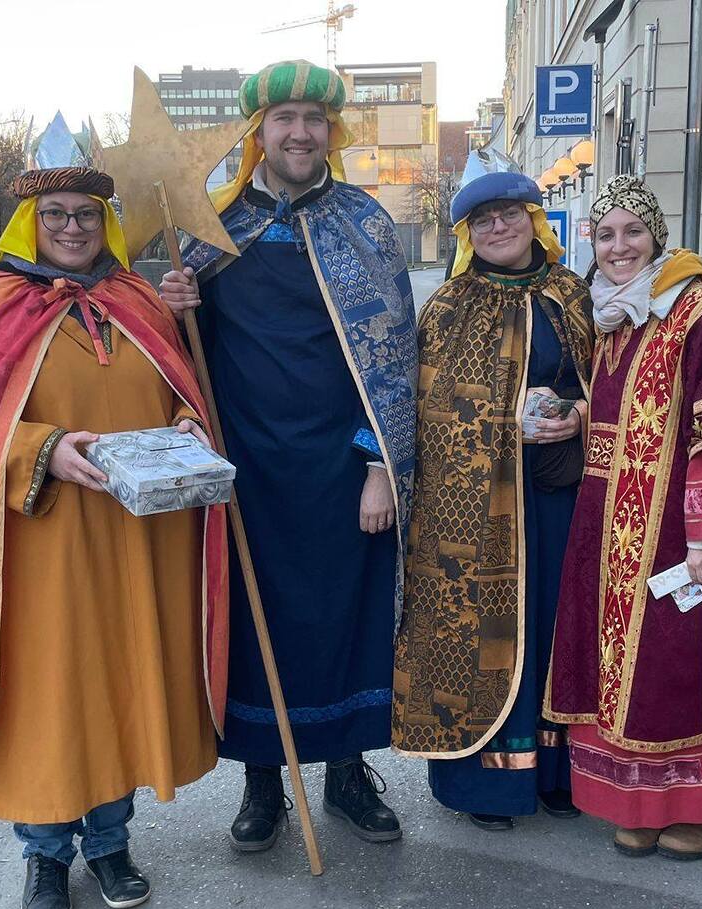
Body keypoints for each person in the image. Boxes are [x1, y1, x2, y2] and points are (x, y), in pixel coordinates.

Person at [0, 152, 228, 909]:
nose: (73, 228)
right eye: (56, 214)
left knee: (122, 679)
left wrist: (188, 422)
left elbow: (180, 386)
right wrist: (43, 449)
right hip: (44, 539)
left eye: (87, 214)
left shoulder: (136, 297)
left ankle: (111, 842)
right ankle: (46, 853)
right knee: (52, 690)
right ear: (30, 222)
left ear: (105, 223)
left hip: (137, 538)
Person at [160, 60, 417, 852]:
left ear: (330, 131)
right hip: (248, 470)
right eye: (284, 118)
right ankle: (262, 781)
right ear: (259, 130)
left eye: (312, 118)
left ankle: (346, 772)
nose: (299, 132)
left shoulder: (366, 223)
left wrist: (378, 466)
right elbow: (178, 355)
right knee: (253, 619)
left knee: (345, 616)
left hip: (341, 466)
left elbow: (395, 353)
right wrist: (173, 306)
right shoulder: (211, 226)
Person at [545, 174, 702, 860]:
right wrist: (575, 415)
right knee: (625, 672)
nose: (619, 246)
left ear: (658, 236)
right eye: (606, 235)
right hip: (611, 525)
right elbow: (621, 411)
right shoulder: (615, 315)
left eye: (633, 231)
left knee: (681, 669)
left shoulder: (701, 312)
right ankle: (636, 801)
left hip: (679, 530)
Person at [392, 154, 595, 829]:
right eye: (483, 221)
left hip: (557, 495)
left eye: (510, 214)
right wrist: (501, 427)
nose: (498, 227)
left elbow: (610, 381)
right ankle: (485, 786)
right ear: (467, 235)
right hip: (474, 506)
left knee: (557, 621)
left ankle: (560, 773)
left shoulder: (572, 295)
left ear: (533, 220)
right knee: (482, 633)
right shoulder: (449, 307)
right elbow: (427, 409)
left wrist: (578, 414)